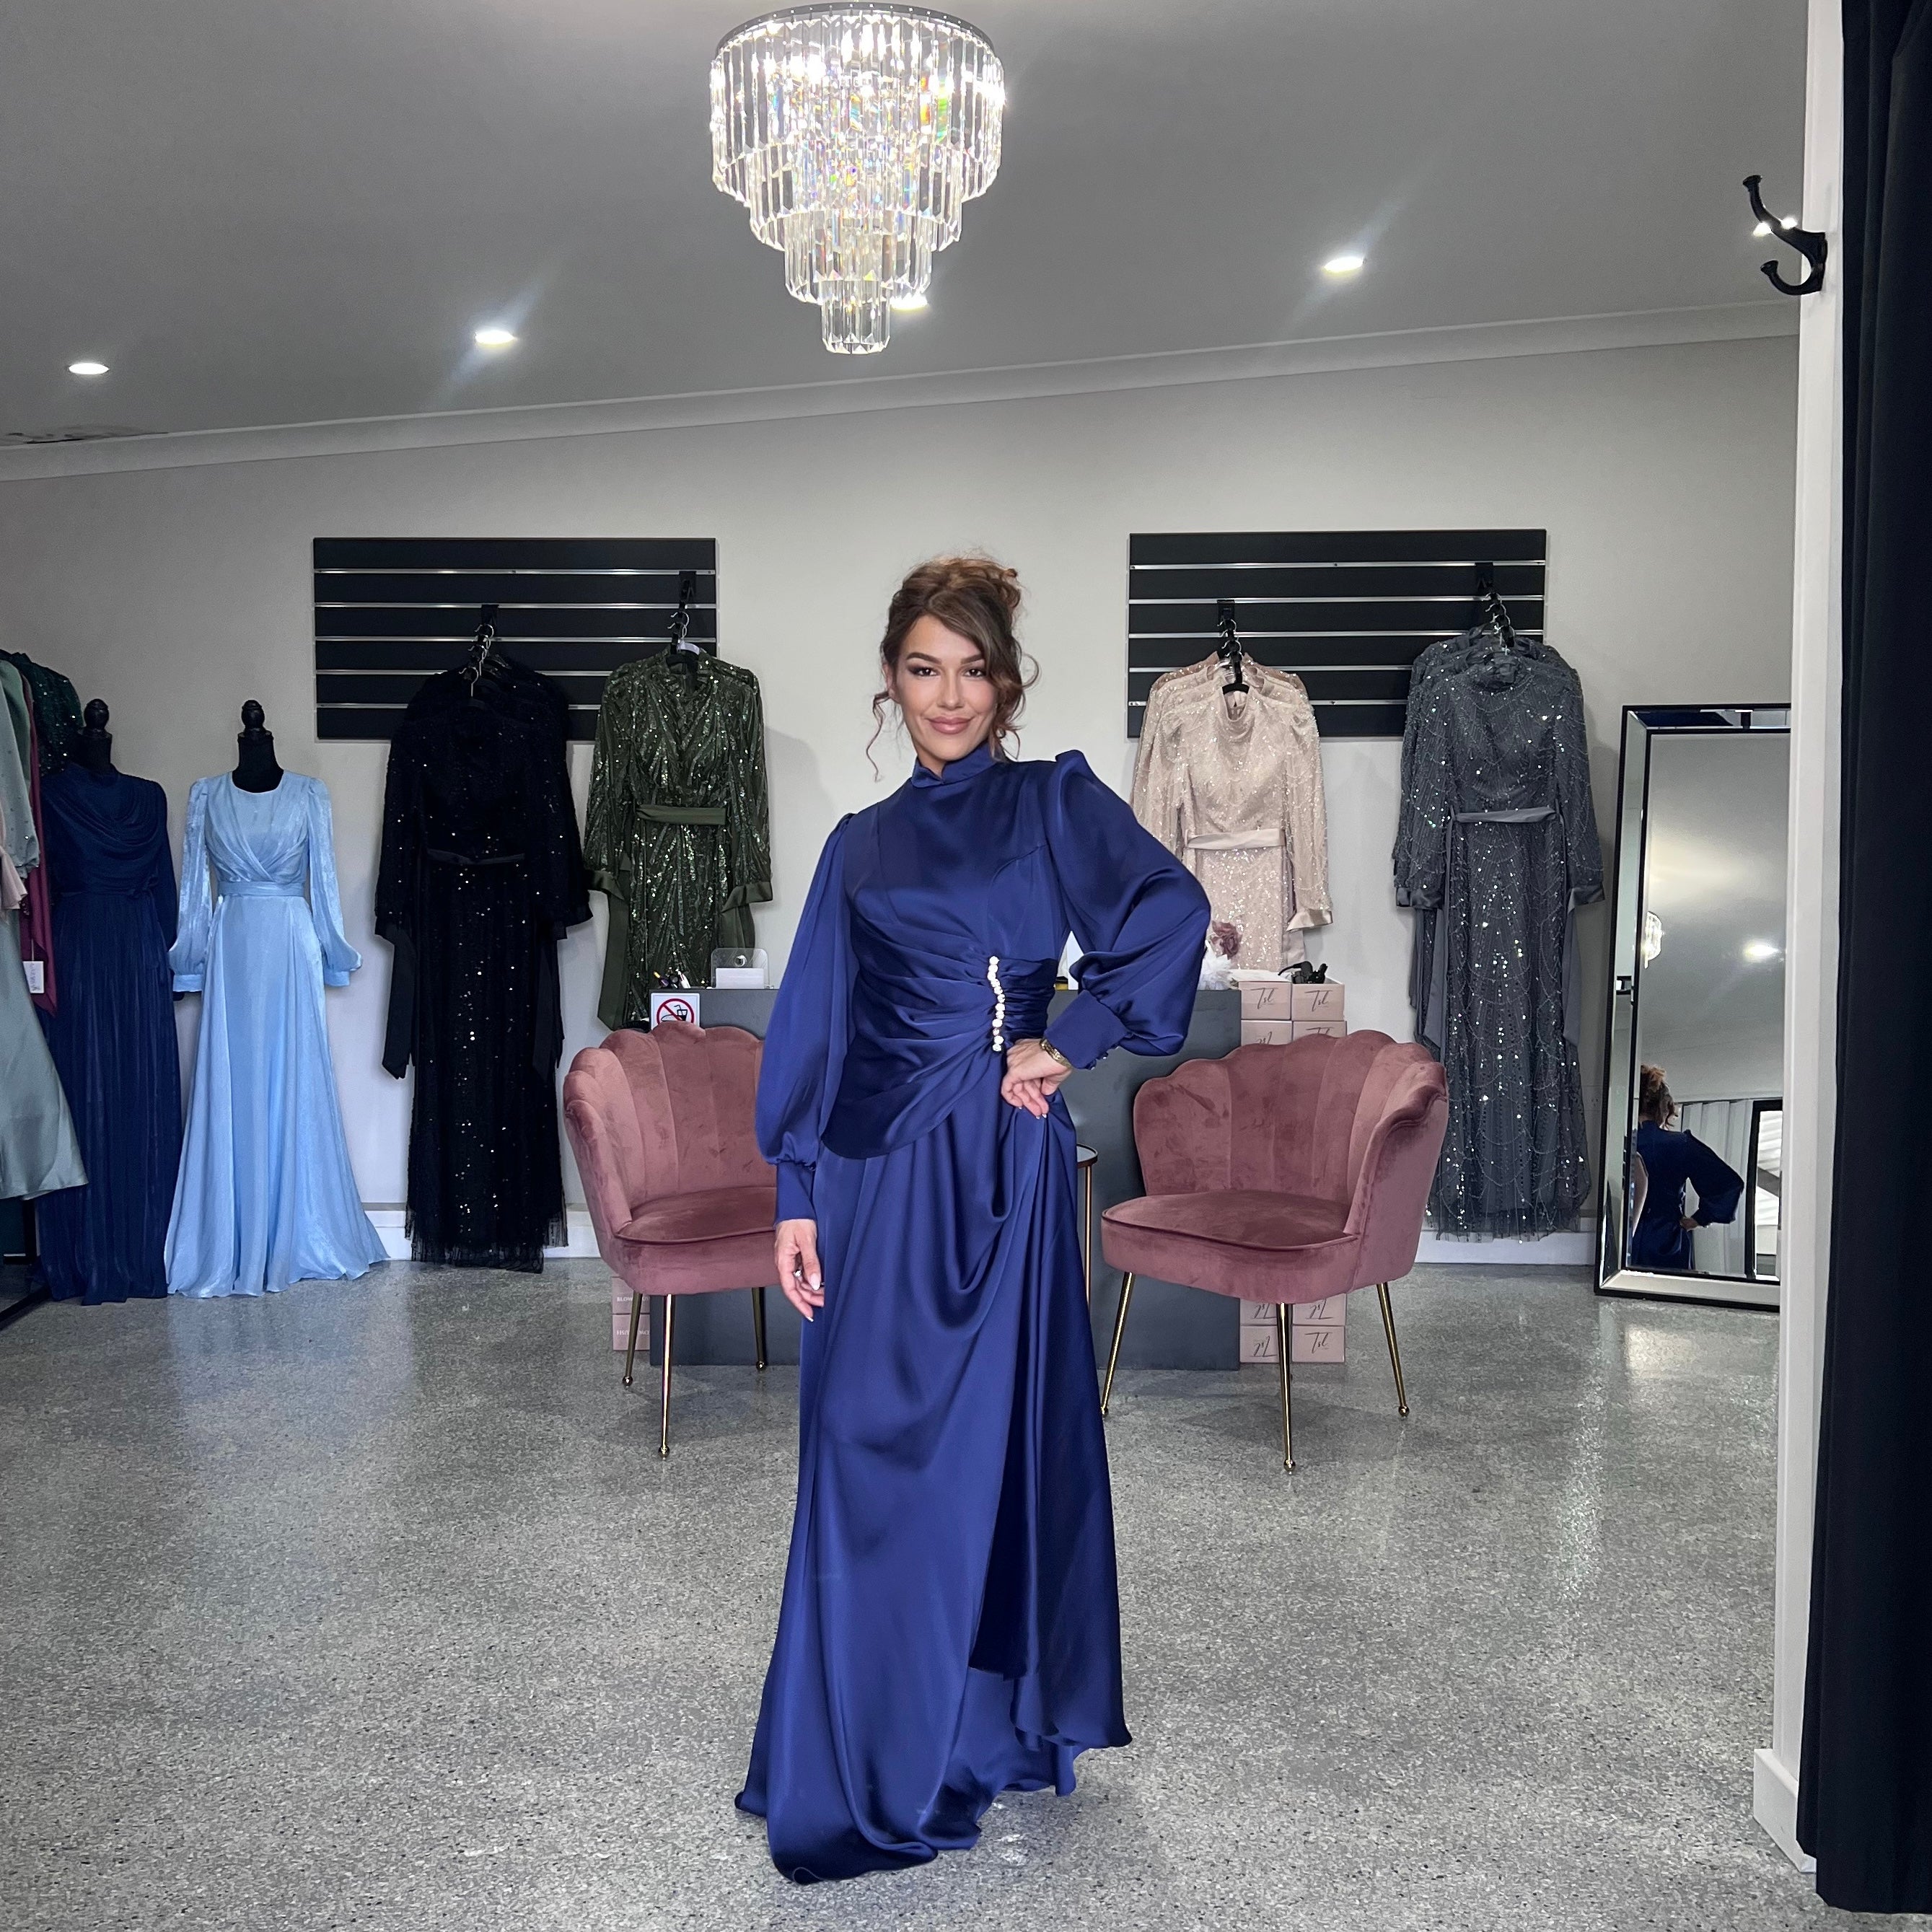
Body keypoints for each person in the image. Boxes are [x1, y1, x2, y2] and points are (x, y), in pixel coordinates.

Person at [739, 556, 1210, 1882]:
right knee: (857, 1446)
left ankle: (971, 1726)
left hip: (999, 1174)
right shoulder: (857, 843)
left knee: (984, 1460)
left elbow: (1169, 913)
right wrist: (794, 1193)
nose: (948, 696)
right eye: (922, 668)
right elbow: (816, 1026)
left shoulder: (1051, 801)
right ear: (889, 681)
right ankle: (856, 1734)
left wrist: (1071, 1036)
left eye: (972, 670)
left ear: (1007, 681)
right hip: (868, 1176)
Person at [1628, 1063, 1746, 1271]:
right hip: (1666, 1243)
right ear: (1664, 1106)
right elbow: (1728, 1184)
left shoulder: (1618, 1142)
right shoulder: (1680, 1144)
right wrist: (1699, 1219)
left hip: (1623, 1240)